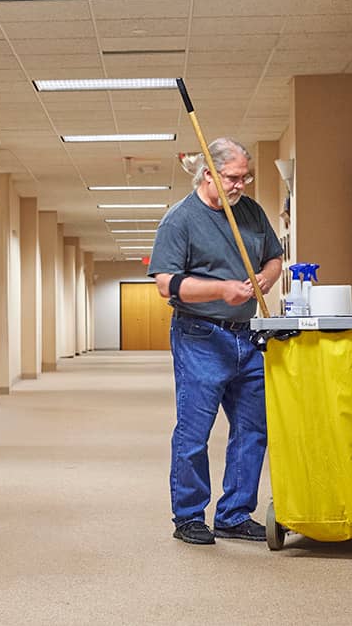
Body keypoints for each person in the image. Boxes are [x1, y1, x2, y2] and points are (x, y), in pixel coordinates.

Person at [148, 137, 284, 545]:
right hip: (200, 335)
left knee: (252, 428)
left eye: (245, 177)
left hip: (248, 335)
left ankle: (234, 514)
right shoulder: (180, 220)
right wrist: (220, 290)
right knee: (195, 431)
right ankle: (189, 516)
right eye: (232, 177)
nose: (240, 185)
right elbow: (166, 283)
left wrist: (266, 278)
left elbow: (274, 257)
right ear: (208, 173)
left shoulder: (251, 211)